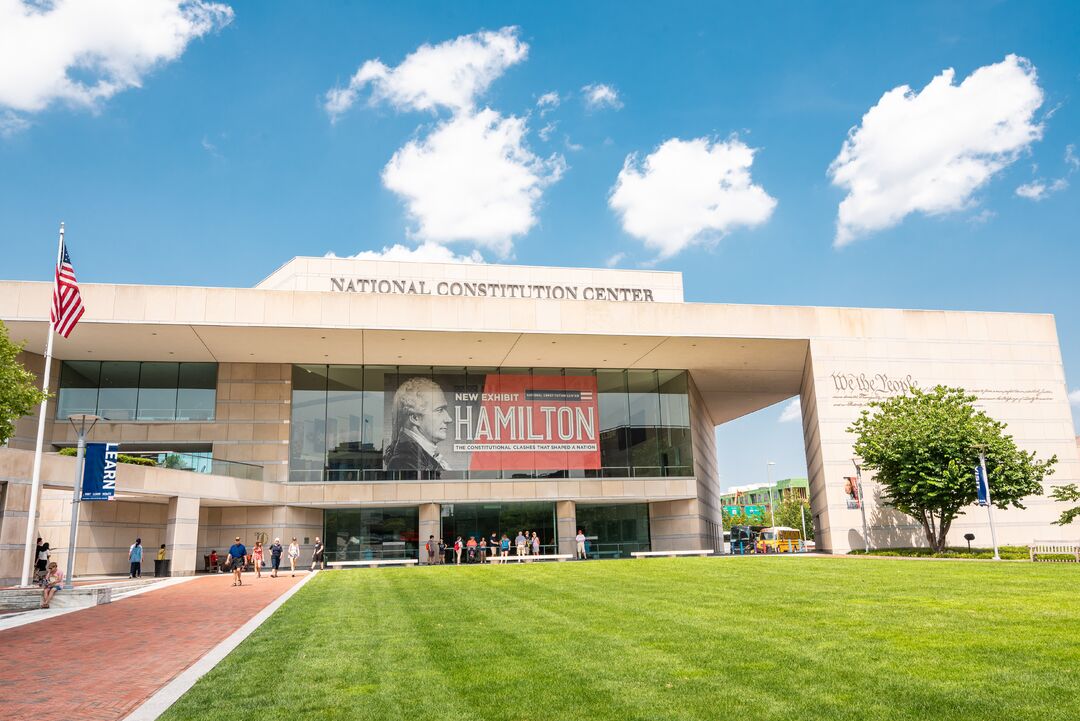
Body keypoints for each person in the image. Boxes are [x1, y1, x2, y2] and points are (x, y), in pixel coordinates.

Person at [384, 377, 452, 472]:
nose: (449, 419)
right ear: (415, 418)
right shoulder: (405, 462)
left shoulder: (415, 457)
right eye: (439, 410)